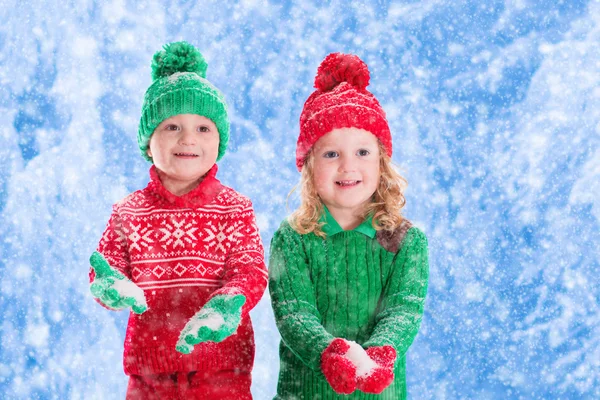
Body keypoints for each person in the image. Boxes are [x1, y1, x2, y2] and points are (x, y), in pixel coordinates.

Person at [88, 41, 267, 399]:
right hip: (150, 374)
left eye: (203, 128)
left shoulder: (235, 208)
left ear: (220, 140)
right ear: (148, 141)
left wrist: (228, 301)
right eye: (172, 126)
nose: (188, 138)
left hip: (223, 371)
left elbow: (249, 270)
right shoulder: (129, 212)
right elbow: (108, 268)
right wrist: (110, 284)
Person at [268, 52, 429, 399]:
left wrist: (383, 353)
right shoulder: (293, 238)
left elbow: (404, 309)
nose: (347, 167)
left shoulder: (406, 240)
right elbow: (294, 313)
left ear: (382, 161)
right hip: (304, 393)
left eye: (362, 152)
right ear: (309, 166)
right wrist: (328, 353)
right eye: (331, 154)